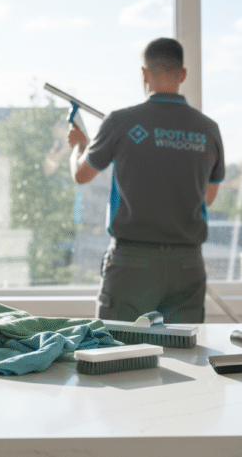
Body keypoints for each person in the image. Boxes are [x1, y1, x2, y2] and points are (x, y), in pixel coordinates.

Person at [68, 38, 224, 324]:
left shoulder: (120, 122)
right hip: (187, 265)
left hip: (132, 264)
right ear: (183, 74)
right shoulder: (208, 130)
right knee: (185, 359)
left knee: (117, 355)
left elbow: (81, 175)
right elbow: (208, 198)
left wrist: (80, 145)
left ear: (144, 73)